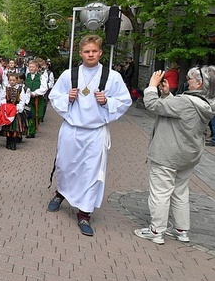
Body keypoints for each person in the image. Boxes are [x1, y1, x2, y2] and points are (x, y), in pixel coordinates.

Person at [47, 34, 132, 237]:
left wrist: (107, 102)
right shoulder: (70, 75)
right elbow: (53, 96)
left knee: (92, 172)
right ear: (81, 53)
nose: (91, 54)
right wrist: (67, 97)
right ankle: (60, 193)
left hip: (95, 133)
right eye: (87, 51)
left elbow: (124, 101)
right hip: (72, 129)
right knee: (65, 166)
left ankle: (84, 213)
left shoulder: (112, 77)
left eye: (94, 51)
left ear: (100, 52)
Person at [133, 67, 215, 244]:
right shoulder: (205, 103)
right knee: (180, 192)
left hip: (168, 154)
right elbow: (177, 112)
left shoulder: (186, 101)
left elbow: (153, 106)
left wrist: (151, 87)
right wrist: (167, 95)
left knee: (160, 193)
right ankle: (181, 229)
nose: (187, 82)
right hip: (188, 156)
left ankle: (156, 231)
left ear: (199, 83)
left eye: (190, 79)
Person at [24, 60, 48, 137]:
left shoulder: (41, 76)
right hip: (28, 99)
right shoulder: (26, 76)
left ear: (37, 68)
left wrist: (35, 93)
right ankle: (30, 132)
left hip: (38, 99)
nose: (31, 68)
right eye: (30, 67)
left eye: (33, 67)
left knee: (38, 115)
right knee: (30, 114)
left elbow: (44, 88)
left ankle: (33, 128)